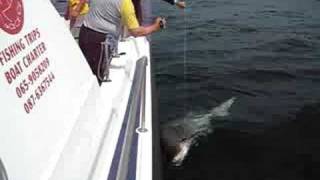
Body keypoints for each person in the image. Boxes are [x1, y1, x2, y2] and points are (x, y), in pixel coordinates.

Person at [78, 0, 165, 85]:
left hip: (84, 33)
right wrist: (156, 26)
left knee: (84, 72)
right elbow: (136, 32)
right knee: (95, 78)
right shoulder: (125, 3)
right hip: (99, 43)